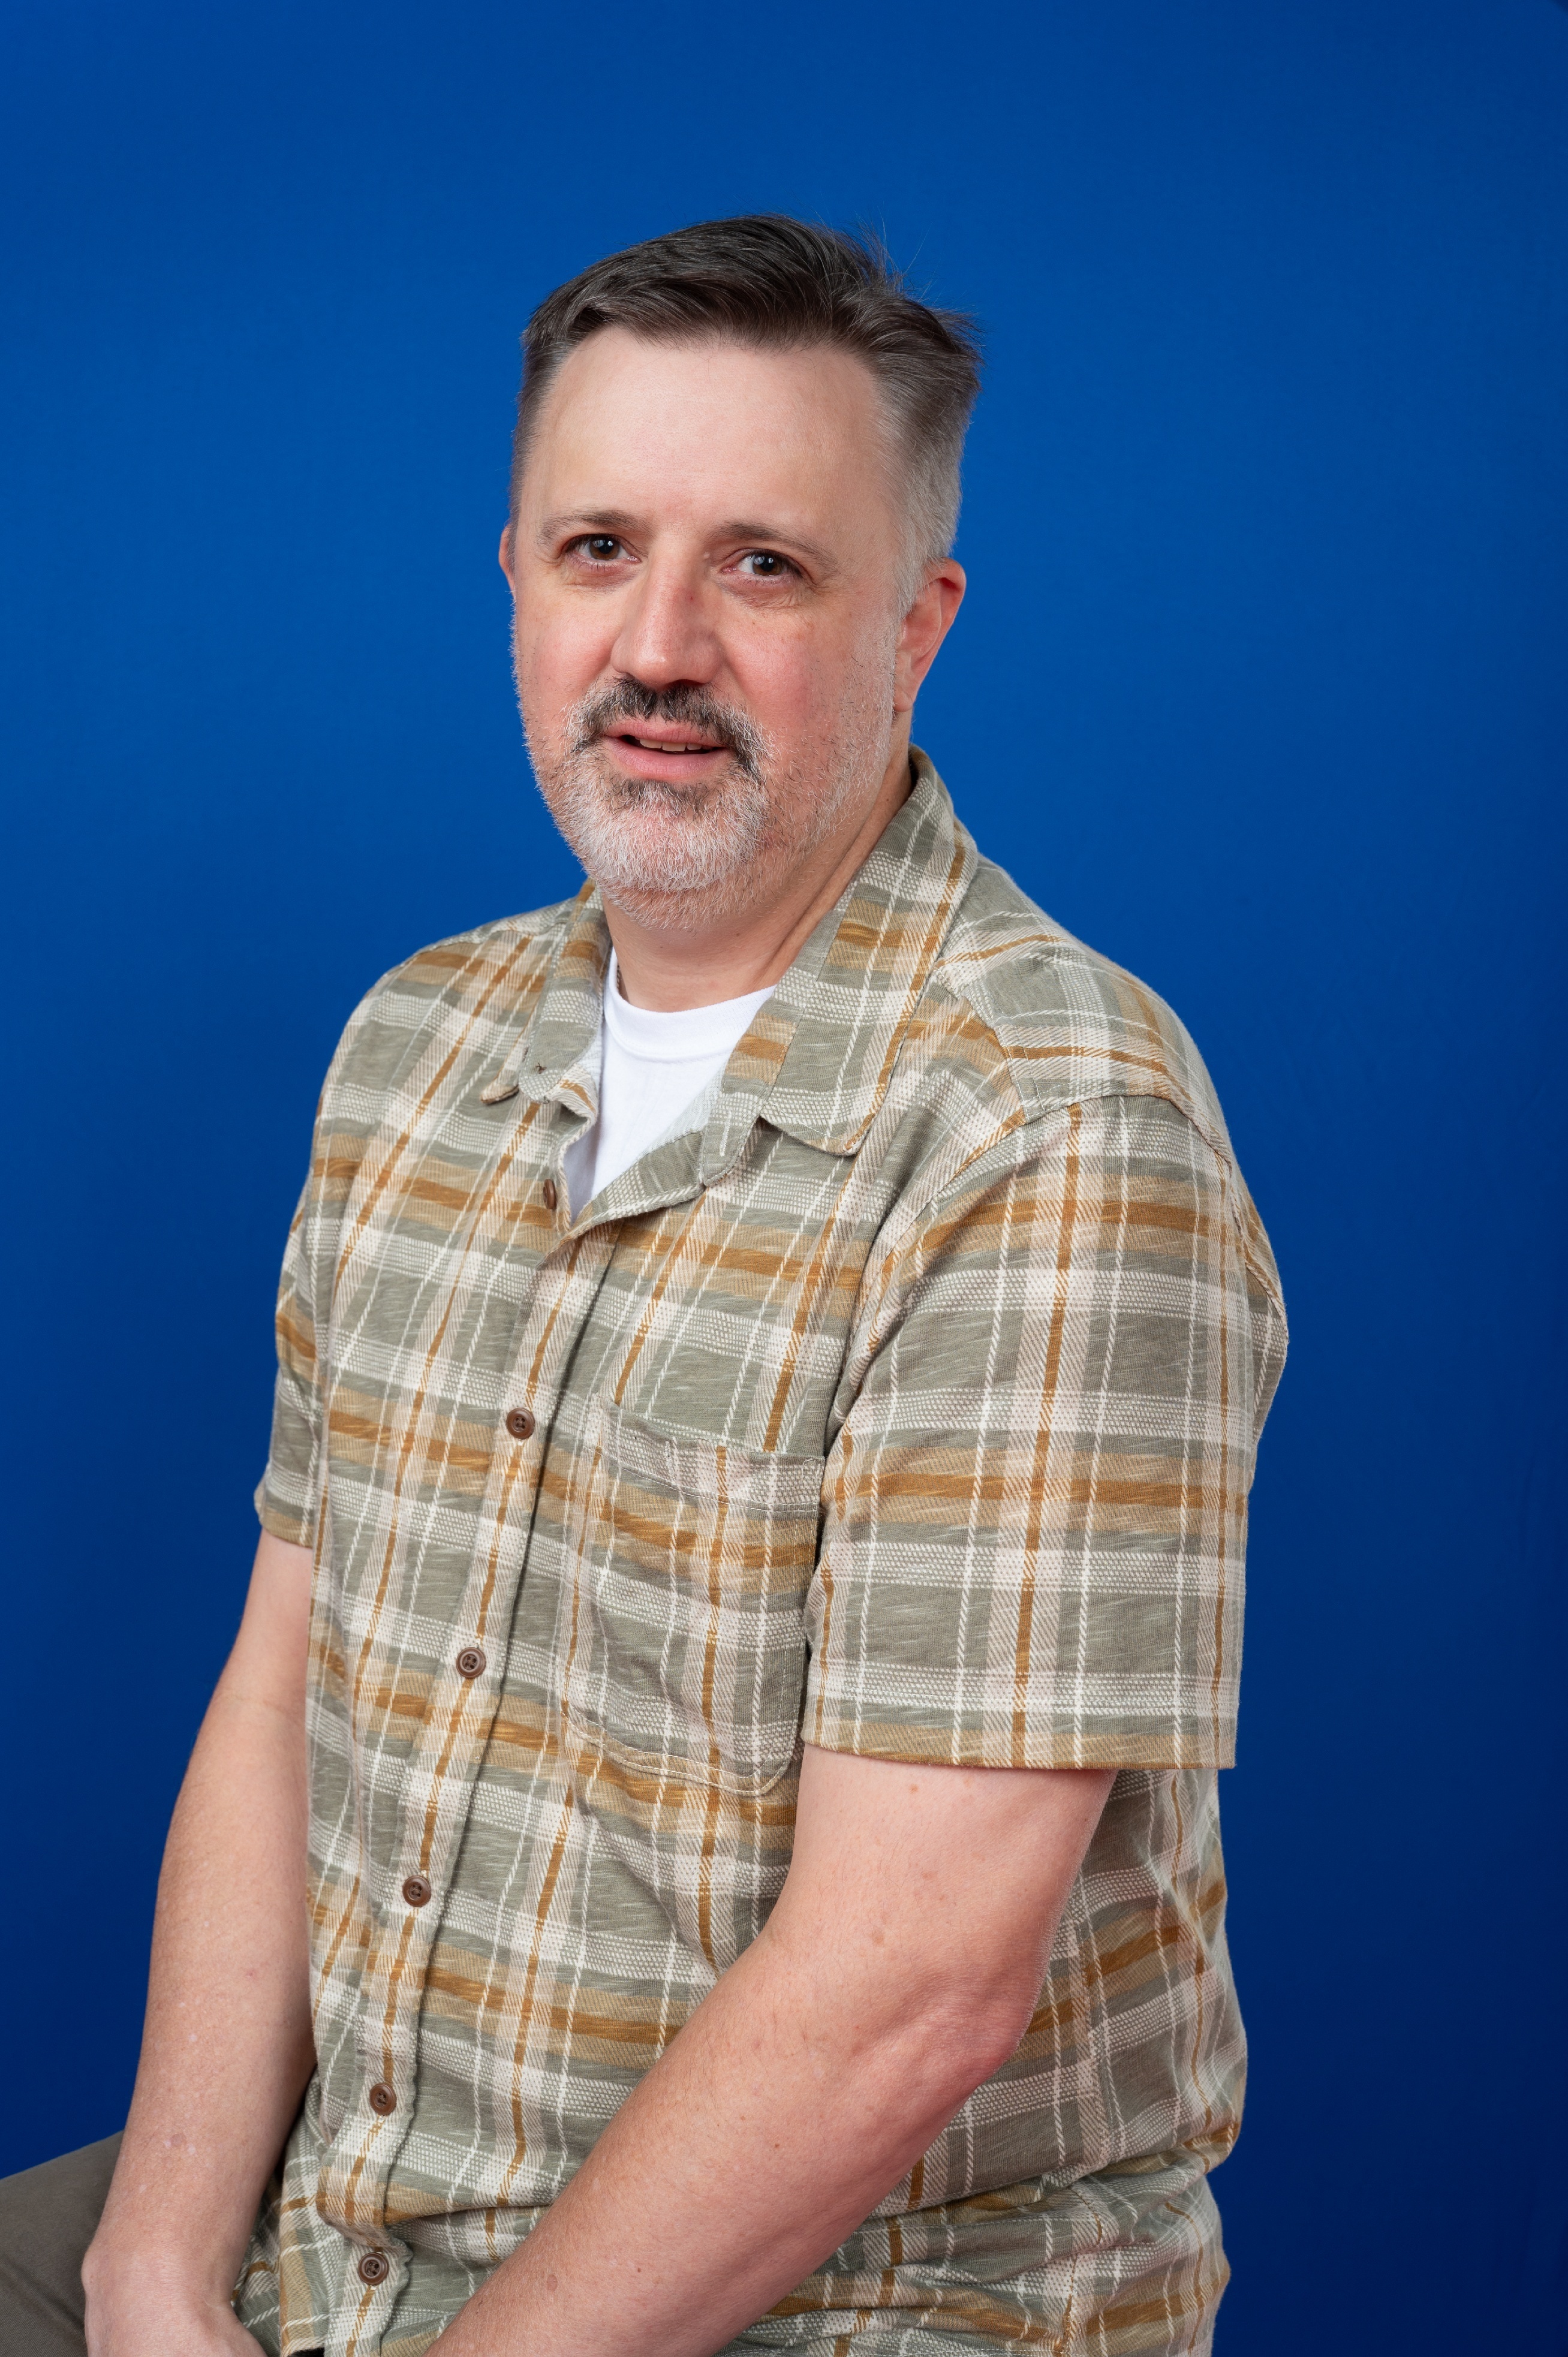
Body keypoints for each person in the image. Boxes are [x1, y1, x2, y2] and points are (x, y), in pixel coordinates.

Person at [0, 215, 1286, 2357]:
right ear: (517, 579)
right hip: (363, 2219)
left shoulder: (1052, 1126)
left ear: (916, 625)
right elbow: (284, 1699)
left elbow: (911, 1990)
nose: (660, 644)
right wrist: (151, 2269)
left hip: (855, 2300)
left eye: (763, 566)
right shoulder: (418, 1045)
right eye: (600, 549)